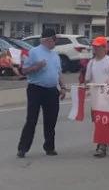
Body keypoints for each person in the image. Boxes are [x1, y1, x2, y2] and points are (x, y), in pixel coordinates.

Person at [17, 29, 67, 158]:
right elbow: (24, 70)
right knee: (32, 119)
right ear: (47, 40)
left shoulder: (55, 55)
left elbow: (59, 73)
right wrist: (36, 67)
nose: (56, 42)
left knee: (51, 120)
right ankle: (23, 148)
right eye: (55, 39)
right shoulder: (34, 52)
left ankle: (49, 147)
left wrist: (63, 87)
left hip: (51, 90)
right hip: (36, 89)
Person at [84, 36, 109, 158]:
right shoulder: (91, 63)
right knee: (97, 121)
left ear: (104, 48)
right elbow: (87, 79)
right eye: (94, 47)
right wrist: (85, 86)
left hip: (108, 96)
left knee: (104, 121)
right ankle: (103, 141)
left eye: (97, 47)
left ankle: (102, 145)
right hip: (95, 97)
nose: (95, 49)